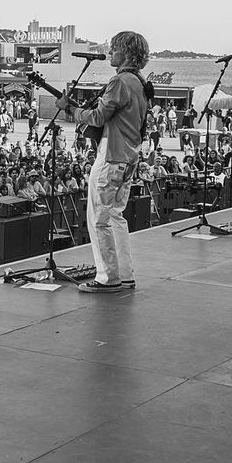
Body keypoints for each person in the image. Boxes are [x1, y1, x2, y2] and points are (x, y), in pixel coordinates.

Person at [57, 30, 149, 292]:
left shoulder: (120, 82)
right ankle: (125, 274)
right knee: (116, 217)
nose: (110, 53)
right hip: (129, 158)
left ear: (127, 53)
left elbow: (98, 117)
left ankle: (108, 277)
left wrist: (71, 109)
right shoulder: (140, 82)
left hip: (111, 156)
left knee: (99, 219)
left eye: (114, 49)